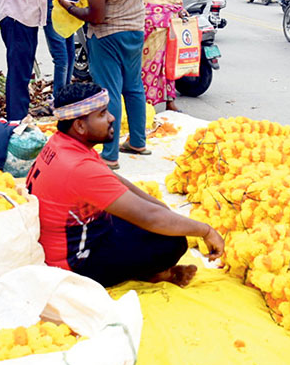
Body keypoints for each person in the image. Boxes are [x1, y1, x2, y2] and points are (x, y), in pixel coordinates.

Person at [27, 82, 224, 287]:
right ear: (80, 126)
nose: (111, 118)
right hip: (75, 263)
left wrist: (161, 209)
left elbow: (115, 180)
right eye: (102, 114)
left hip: (73, 237)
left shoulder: (61, 142)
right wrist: (206, 231)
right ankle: (155, 275)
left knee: (160, 221)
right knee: (171, 241)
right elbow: (150, 217)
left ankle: (145, 264)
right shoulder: (79, 168)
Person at [57, 0, 148, 170]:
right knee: (134, 87)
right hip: (136, 28)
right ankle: (138, 142)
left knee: (109, 94)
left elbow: (96, 16)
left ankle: (110, 155)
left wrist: (68, 7)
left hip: (108, 35)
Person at [139, 0, 184, 112]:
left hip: (168, 25)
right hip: (146, 25)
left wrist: (180, 11)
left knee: (168, 63)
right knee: (146, 65)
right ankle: (145, 103)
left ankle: (170, 101)